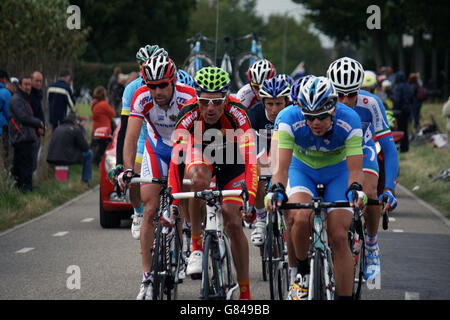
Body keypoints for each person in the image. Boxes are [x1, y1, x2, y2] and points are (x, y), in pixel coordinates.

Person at [267, 76, 365, 300]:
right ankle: (301, 274)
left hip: (338, 173)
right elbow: (280, 169)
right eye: (310, 118)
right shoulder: (288, 118)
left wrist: (357, 189)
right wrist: (277, 189)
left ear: (333, 110)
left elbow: (355, 171)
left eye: (321, 117)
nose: (315, 123)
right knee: (301, 217)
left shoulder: (350, 119)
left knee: (339, 235)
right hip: (301, 170)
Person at [167, 67, 258, 300]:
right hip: (202, 158)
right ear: (196, 98)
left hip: (232, 162)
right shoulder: (187, 115)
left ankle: (245, 291)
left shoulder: (238, 112)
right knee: (197, 179)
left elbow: (251, 162)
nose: (210, 108)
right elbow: (176, 163)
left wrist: (250, 197)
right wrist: (174, 200)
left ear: (226, 99)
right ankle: (197, 245)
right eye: (205, 101)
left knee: (233, 220)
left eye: (217, 102)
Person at [119, 54, 196, 300]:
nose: (157, 91)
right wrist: (128, 169)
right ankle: (147, 279)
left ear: (173, 81)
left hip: (185, 149)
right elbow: (130, 137)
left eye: (163, 85)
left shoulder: (188, 97)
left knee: (183, 197)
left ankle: (185, 237)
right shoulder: (141, 98)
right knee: (149, 210)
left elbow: (200, 137)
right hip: (158, 150)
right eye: (152, 86)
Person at [327, 57, 399, 284]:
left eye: (351, 94)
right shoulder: (322, 100)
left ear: (359, 89)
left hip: (363, 148)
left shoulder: (371, 103)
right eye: (339, 94)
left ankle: (371, 243)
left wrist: (389, 187)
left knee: (369, 193)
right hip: (333, 151)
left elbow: (388, 147)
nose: (345, 100)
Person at [111, 44, 168, 241]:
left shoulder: (172, 84)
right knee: (135, 176)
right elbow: (125, 131)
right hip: (145, 139)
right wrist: (120, 164)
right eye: (144, 66)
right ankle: (138, 212)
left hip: (170, 138)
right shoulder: (132, 89)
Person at [245, 75, 291, 247]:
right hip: (262, 147)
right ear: (263, 102)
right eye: (270, 104)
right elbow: (249, 145)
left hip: (286, 148)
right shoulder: (255, 113)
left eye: (279, 104)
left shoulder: (292, 112)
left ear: (287, 102)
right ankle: (261, 219)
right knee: (258, 172)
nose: (274, 109)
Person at [8, 76, 45, 192]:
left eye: (29, 85)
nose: (28, 87)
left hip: (27, 136)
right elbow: (23, 118)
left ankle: (28, 189)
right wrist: (38, 123)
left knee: (28, 165)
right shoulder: (17, 99)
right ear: (20, 85)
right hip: (21, 137)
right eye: (26, 84)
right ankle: (24, 190)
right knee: (23, 167)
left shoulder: (25, 98)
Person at [47, 113, 92, 185]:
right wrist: (81, 131)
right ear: (75, 122)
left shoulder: (58, 128)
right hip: (66, 157)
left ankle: (61, 182)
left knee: (62, 161)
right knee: (89, 153)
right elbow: (85, 147)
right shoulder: (75, 129)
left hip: (53, 156)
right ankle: (85, 180)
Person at [90, 86, 116, 164]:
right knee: (103, 147)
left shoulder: (93, 103)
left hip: (96, 128)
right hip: (105, 129)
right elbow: (113, 113)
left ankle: (95, 160)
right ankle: (101, 161)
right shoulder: (104, 104)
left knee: (96, 146)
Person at [393, 71, 413, 152]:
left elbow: (397, 100)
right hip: (408, 110)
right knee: (405, 129)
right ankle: (406, 147)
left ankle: (402, 147)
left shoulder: (398, 87)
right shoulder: (408, 86)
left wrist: (395, 107)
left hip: (400, 111)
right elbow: (412, 98)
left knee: (400, 129)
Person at [29, 71, 45, 174]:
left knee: (35, 158)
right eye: (36, 81)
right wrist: (37, 127)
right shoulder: (30, 95)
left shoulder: (39, 94)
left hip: (38, 131)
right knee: (31, 158)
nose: (39, 83)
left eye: (40, 81)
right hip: (32, 132)